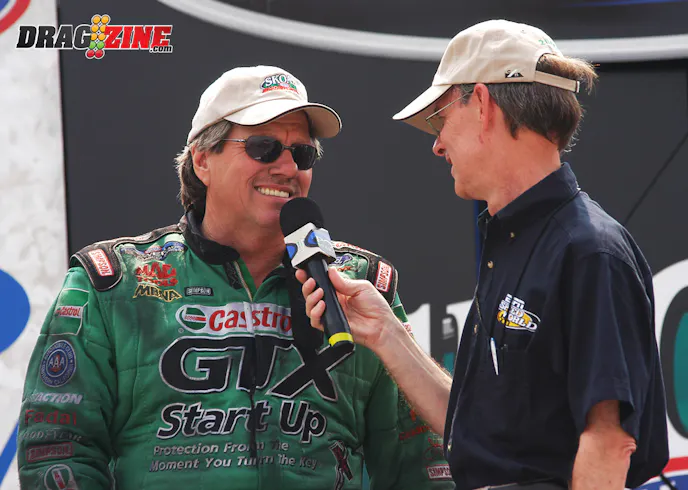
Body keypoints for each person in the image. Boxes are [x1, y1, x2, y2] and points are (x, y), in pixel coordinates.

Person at [17, 66, 454, 489]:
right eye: (264, 148)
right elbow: (57, 448)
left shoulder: (360, 286)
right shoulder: (112, 281)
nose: (287, 168)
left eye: (302, 154)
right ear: (202, 160)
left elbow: (424, 465)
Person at [298, 20, 669, 490]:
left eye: (440, 120)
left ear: (482, 104)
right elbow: (475, 433)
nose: (437, 145)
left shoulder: (589, 252)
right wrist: (384, 332)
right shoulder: (520, 241)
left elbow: (609, 443)